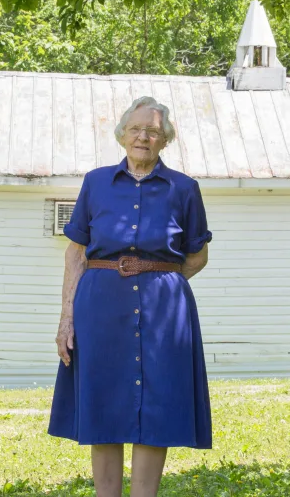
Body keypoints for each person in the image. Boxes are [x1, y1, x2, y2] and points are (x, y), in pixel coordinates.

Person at [48, 96, 213, 497]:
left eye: (153, 131)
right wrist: (66, 317)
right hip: (100, 308)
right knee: (104, 402)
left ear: (164, 140)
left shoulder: (184, 189)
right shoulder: (96, 182)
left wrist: (161, 280)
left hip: (163, 313)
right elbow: (76, 252)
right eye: (137, 129)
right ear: (123, 134)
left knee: (155, 406)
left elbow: (198, 254)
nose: (144, 137)